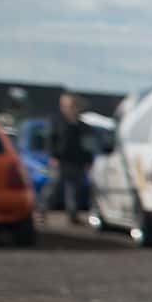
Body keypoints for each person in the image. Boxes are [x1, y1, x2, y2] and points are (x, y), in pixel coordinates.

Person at [47, 91, 93, 224]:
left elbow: (88, 145)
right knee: (52, 188)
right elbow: (51, 140)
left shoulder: (84, 127)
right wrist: (53, 156)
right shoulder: (57, 122)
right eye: (65, 106)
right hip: (61, 161)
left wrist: (88, 161)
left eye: (71, 106)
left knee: (74, 190)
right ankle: (41, 211)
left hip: (77, 162)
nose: (68, 109)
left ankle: (73, 215)